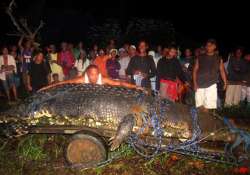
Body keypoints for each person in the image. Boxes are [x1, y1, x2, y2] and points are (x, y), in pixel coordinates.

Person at [39, 65, 142, 91]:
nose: (95, 77)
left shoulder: (102, 79)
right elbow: (64, 82)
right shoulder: (82, 79)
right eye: (92, 74)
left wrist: (136, 87)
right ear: (87, 74)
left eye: (96, 74)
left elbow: (120, 83)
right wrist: (46, 87)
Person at [193, 39, 227, 111]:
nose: (208, 47)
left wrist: (225, 82)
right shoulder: (200, 57)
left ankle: (205, 121)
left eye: (210, 46)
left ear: (214, 46)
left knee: (207, 107)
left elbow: (222, 71)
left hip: (211, 84)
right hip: (199, 84)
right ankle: (198, 121)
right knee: (199, 106)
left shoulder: (218, 58)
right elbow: (195, 70)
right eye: (207, 46)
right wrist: (195, 83)